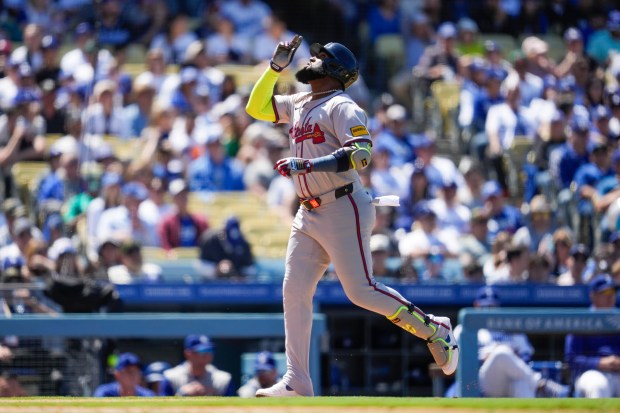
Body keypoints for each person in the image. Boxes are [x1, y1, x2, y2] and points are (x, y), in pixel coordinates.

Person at [244, 35, 458, 397]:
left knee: (360, 291)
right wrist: (273, 68)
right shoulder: (300, 101)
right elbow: (256, 108)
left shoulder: (342, 105)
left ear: (334, 69)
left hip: (343, 206)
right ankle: (297, 380)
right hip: (308, 212)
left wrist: (310, 163)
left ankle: (434, 328)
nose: (311, 59)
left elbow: (360, 154)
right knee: (294, 291)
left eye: (319, 57)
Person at [452, 286, 570, 398]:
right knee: (501, 353)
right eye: (485, 306)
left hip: (510, 378)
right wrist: (485, 356)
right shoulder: (464, 328)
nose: (489, 310)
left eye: (492, 306)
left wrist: (513, 356)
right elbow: (457, 361)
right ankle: (541, 384)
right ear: (476, 305)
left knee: (520, 384)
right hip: (479, 380)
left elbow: (526, 356)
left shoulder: (509, 326)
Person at [565, 273, 620, 398]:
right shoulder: (582, 320)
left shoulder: (618, 317)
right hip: (592, 372)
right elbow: (571, 359)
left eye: (612, 292)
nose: (610, 296)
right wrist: (599, 362)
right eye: (605, 293)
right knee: (598, 386)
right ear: (593, 296)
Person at [161, 334, 233, 396]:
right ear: (188, 353)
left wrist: (214, 395)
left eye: (209, 350)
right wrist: (182, 394)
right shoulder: (171, 376)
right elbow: (161, 407)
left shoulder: (223, 379)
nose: (207, 354)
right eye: (202, 351)